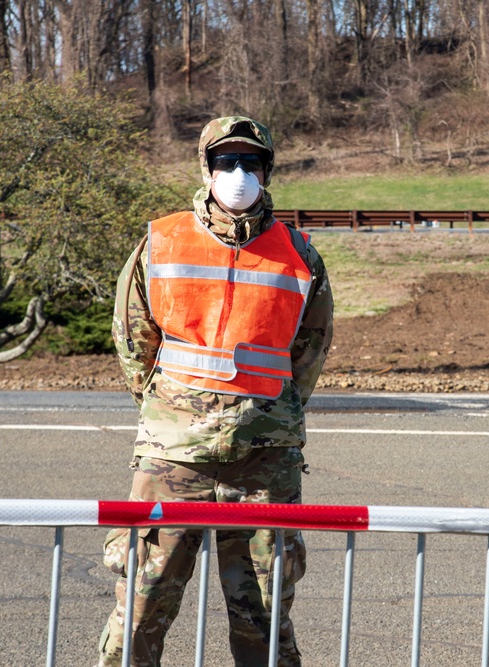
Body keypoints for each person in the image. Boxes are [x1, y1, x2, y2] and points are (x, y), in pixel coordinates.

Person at [96, 116, 333, 667]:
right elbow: (134, 340)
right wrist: (172, 413)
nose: (238, 173)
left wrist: (264, 415)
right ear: (205, 168)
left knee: (265, 618)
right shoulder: (162, 240)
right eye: (225, 161)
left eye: (251, 162)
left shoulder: (300, 254)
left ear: (267, 171)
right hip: (174, 457)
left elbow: (309, 352)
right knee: (141, 607)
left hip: (264, 461)